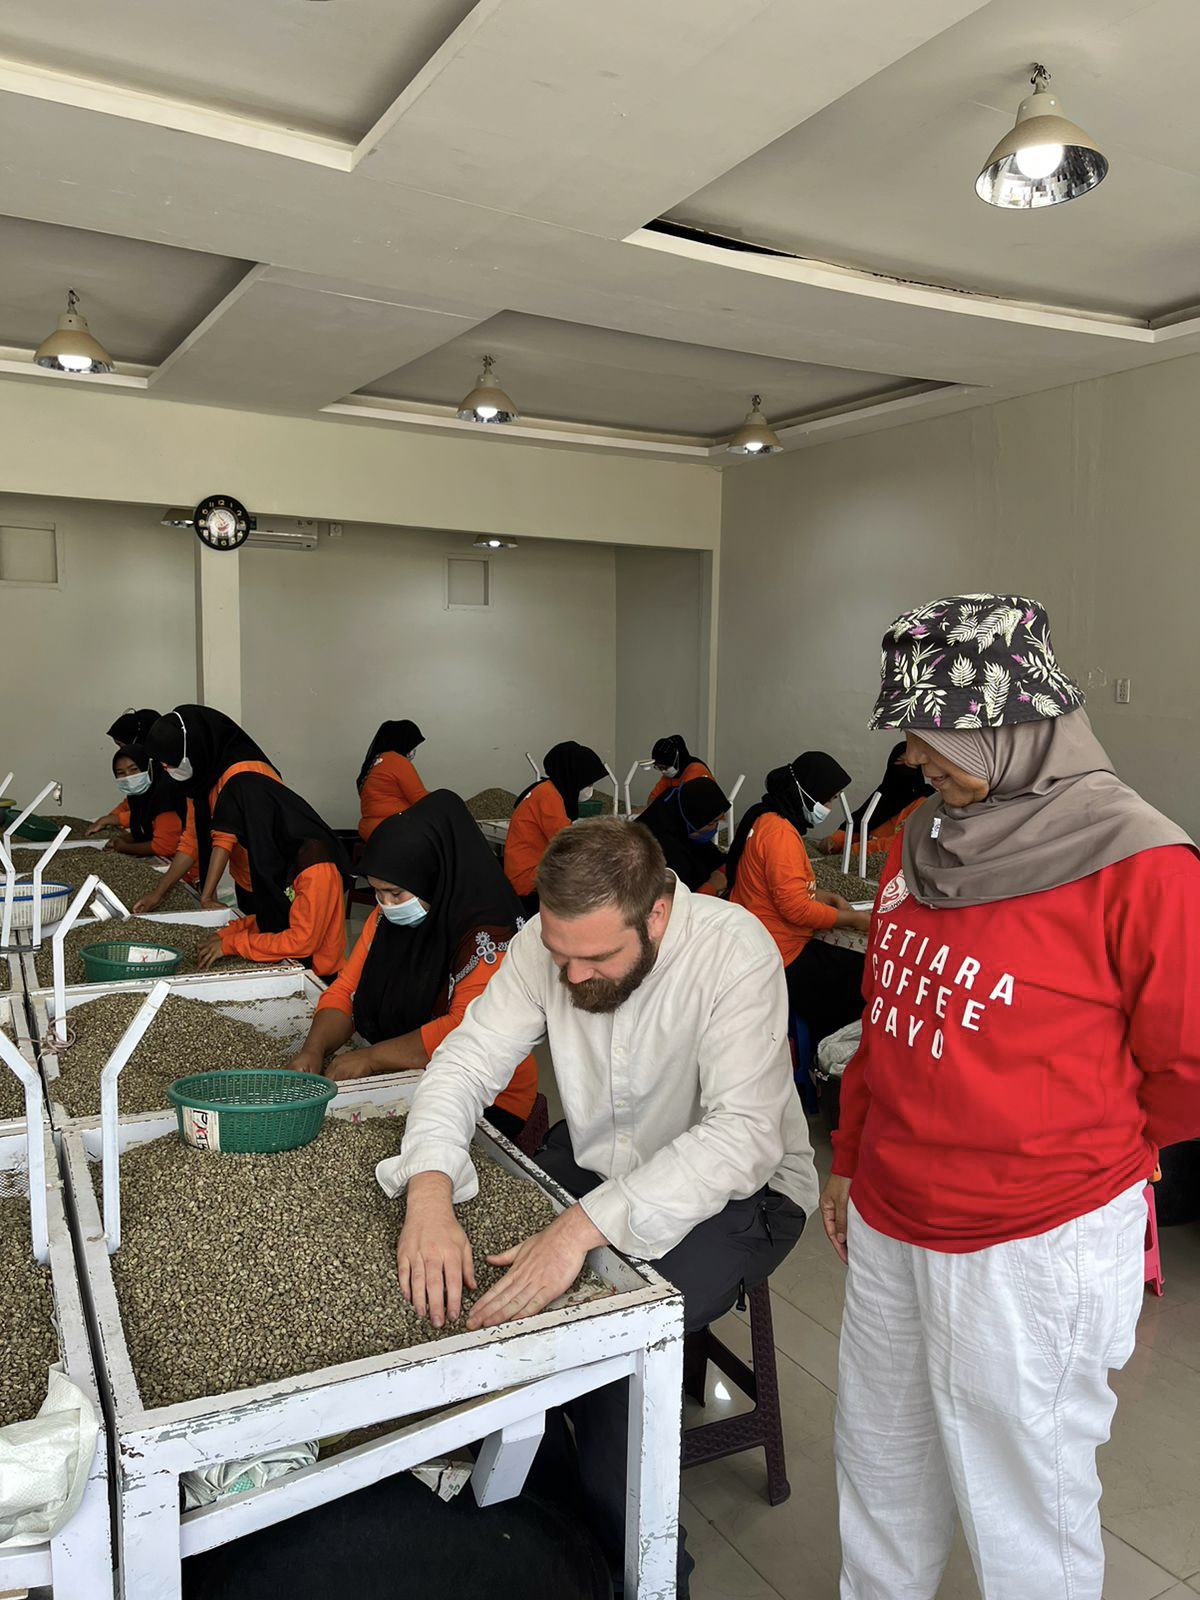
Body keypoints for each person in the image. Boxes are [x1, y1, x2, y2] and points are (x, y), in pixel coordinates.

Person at [820, 593, 1200, 1600]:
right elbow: (887, 1019)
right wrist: (850, 1157)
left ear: (1016, 723)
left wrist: (1094, 1151)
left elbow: (1188, 1063)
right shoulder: (924, 836)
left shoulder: (1140, 862)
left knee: (1022, 1502)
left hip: (1033, 1233)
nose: (914, 759)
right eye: (910, 734)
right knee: (880, 1464)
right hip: (895, 1210)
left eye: (933, 734)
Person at [381, 818, 817, 1593]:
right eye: (561, 956)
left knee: (613, 1349)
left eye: (597, 958)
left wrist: (577, 1231)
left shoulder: (732, 951)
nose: (574, 976)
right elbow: (465, 1064)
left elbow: (742, 1137)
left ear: (657, 913)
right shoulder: (548, 945)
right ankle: (538, 1534)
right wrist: (429, 1190)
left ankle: (648, 1574)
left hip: (746, 1194)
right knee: (477, 1300)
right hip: (598, 1164)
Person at [286, 791, 536, 1140]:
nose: (386, 904)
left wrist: (371, 1058)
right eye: (377, 892)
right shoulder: (385, 919)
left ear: (434, 878)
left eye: (396, 893)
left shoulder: (488, 938)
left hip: (488, 1092)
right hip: (407, 1066)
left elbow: (463, 1028)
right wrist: (313, 1049)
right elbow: (346, 990)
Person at [726, 753, 871, 1048]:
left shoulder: (766, 817)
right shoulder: (780, 833)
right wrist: (855, 919)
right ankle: (822, 1051)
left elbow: (781, 887)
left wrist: (826, 896)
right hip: (780, 955)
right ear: (806, 793)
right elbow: (796, 908)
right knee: (860, 977)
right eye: (828, 799)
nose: (829, 807)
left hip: (762, 938)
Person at [194, 776, 351, 979]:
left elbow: (302, 941)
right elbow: (275, 917)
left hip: (315, 976)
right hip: (292, 965)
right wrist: (225, 935)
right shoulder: (282, 849)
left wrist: (232, 945)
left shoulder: (316, 864)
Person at [132, 707, 282, 916]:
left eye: (171, 761)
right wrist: (158, 892)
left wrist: (207, 895)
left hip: (274, 879)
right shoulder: (201, 777)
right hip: (246, 878)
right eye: (163, 764)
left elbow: (225, 837)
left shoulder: (243, 775)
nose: (167, 768)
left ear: (192, 746)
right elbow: (192, 839)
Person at [503, 741, 607, 915]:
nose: (590, 788)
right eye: (587, 782)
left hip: (531, 873)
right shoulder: (548, 796)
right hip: (528, 882)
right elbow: (566, 843)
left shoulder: (547, 790)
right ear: (574, 777)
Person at [86, 744, 193, 868]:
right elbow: (146, 830)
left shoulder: (165, 795)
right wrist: (123, 839)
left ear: (148, 767)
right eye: (121, 773)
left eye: (134, 769)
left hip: (190, 866)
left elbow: (164, 847)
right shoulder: (140, 795)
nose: (128, 777)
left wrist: (124, 847)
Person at [820, 740, 931, 856]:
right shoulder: (882, 796)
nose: (904, 768)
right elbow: (860, 826)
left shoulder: (924, 803)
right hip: (862, 860)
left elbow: (904, 843)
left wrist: (859, 849)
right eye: (899, 762)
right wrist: (835, 840)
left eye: (911, 764)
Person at [636, 774, 729, 894]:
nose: (714, 828)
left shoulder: (681, 819)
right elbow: (678, 899)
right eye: (711, 823)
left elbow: (711, 856)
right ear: (692, 820)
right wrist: (711, 887)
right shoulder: (662, 851)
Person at [357, 720, 430, 842]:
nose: (414, 751)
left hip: (370, 829)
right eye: (413, 745)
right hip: (393, 829)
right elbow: (420, 798)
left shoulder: (373, 763)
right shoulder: (396, 761)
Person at [642, 734, 712, 808]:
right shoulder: (669, 775)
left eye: (665, 767)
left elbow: (688, 804)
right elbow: (653, 797)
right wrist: (649, 809)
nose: (663, 771)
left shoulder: (696, 771)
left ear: (677, 762)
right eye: (659, 768)